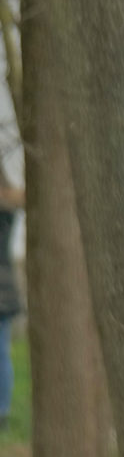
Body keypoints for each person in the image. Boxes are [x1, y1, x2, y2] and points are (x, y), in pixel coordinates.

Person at [0, 179, 21, 429]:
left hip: (3, 295)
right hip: (6, 292)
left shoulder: (5, 212)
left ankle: (2, 410)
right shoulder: (8, 209)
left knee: (1, 353)